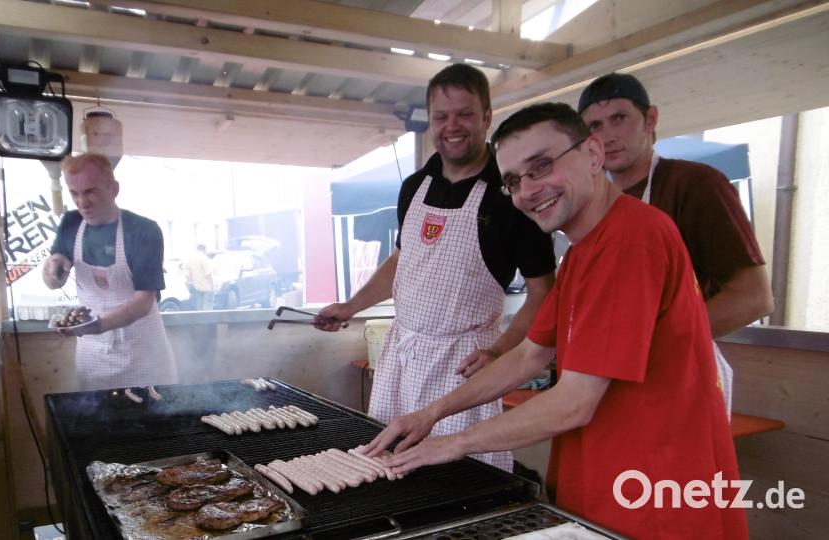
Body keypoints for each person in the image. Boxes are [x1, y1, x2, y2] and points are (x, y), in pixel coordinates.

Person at [364, 103, 748, 539]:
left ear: (592, 155)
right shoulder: (585, 250)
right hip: (612, 482)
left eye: (541, 165)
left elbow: (574, 401)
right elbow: (529, 354)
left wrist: (456, 443)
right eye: (512, 180)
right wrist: (431, 414)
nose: (527, 191)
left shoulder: (629, 242)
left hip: (651, 497)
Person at [314, 64, 556, 472]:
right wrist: (351, 307)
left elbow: (544, 293)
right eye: (442, 116)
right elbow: (403, 261)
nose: (452, 126)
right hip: (401, 357)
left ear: (486, 117)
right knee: (389, 472)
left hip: (464, 366)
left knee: (462, 479)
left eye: (464, 114)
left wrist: (498, 352)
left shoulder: (509, 195)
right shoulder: (415, 186)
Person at [578, 72, 774, 415]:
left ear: (650, 119)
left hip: (679, 378)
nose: (607, 136)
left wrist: (647, 345)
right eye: (594, 126)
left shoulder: (695, 185)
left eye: (619, 118)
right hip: (609, 380)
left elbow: (754, 298)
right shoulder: (595, 205)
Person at [42, 153, 178, 391]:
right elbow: (53, 278)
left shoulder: (143, 230)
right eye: (74, 193)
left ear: (113, 188)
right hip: (94, 357)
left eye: (90, 191)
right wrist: (53, 270)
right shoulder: (71, 223)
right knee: (96, 423)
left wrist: (98, 325)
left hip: (143, 355)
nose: (82, 202)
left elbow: (144, 302)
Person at [182, 243, 215, 310]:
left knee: (199, 308)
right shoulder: (205, 259)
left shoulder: (191, 259)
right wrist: (212, 286)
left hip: (197, 287)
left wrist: (193, 283)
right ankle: (207, 320)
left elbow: (188, 273)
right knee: (207, 307)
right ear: (204, 250)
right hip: (207, 288)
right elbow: (208, 274)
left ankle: (200, 320)